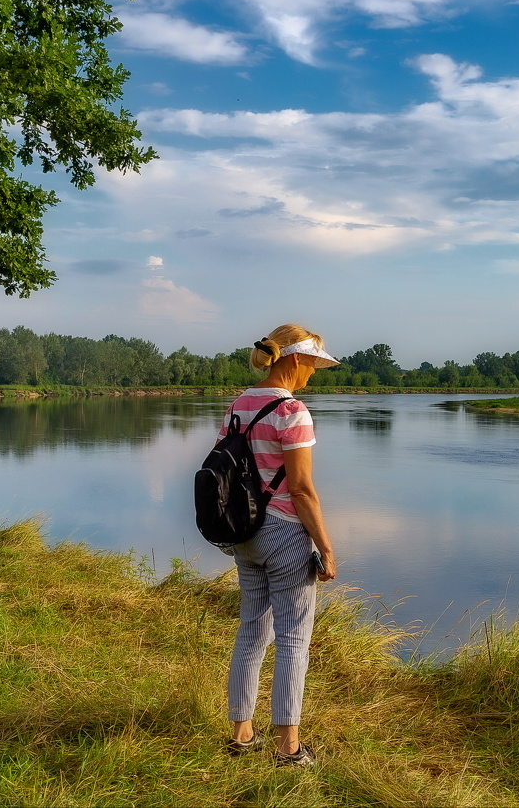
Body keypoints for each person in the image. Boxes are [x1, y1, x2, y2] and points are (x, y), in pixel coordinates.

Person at [221, 324, 339, 768]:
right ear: (295, 358)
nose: (314, 372)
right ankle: (288, 748)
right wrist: (326, 548)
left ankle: (241, 735)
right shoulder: (292, 411)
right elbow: (302, 490)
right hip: (286, 533)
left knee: (251, 631)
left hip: (244, 532)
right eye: (313, 363)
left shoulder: (239, 404)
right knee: (293, 638)